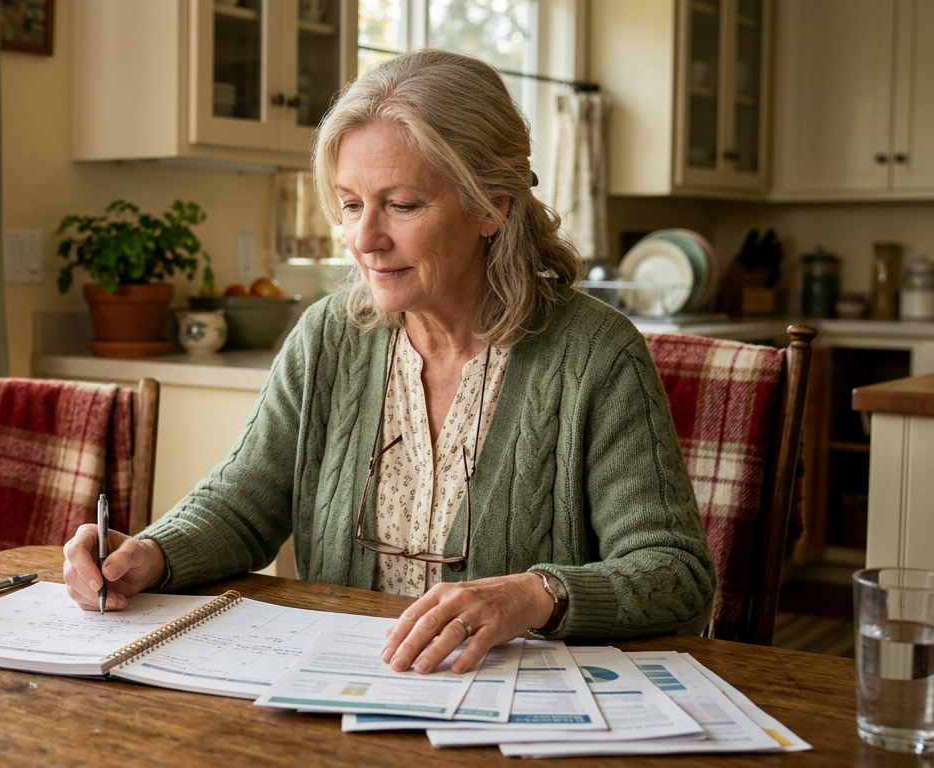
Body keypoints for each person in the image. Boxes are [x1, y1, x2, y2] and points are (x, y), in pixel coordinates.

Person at [64, 49, 716, 676]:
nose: (365, 239)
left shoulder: (595, 355)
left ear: (491, 208)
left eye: (401, 205)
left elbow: (676, 575)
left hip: (518, 713)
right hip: (340, 691)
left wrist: (534, 596)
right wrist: (149, 552)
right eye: (351, 204)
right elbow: (242, 505)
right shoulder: (328, 336)